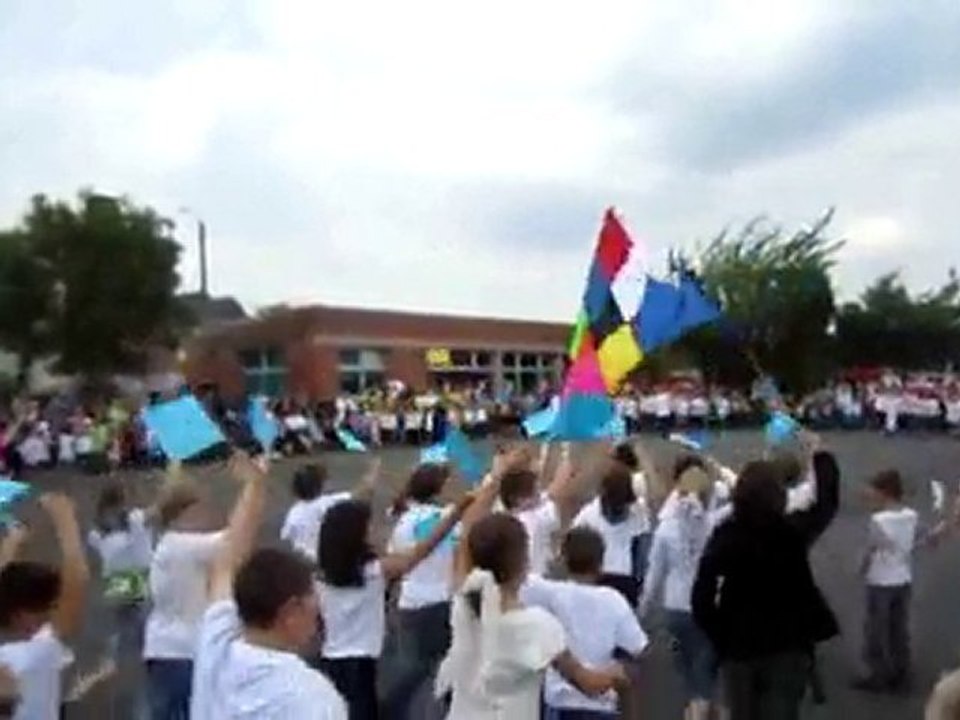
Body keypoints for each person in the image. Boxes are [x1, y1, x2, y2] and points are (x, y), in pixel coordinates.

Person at [191, 451, 347, 719]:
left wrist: (254, 486)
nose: (319, 610)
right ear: (291, 610)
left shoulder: (216, 645)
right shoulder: (311, 696)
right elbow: (227, 564)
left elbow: (226, 563)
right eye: (313, 599)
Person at [692, 446, 841, 720]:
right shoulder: (791, 533)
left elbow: (702, 595)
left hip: (740, 643)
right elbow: (826, 506)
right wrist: (821, 457)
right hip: (787, 642)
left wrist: (720, 634)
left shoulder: (726, 535)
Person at [437, 512, 627, 719]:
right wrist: (615, 674)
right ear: (524, 562)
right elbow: (589, 684)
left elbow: (465, 543)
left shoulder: (463, 603)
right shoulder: (538, 627)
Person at [316, 490, 474, 719]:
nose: (371, 532)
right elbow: (422, 550)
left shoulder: (318, 578)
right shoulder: (373, 572)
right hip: (362, 661)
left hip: (330, 658)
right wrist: (456, 514)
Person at [524, 526, 648, 719]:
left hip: (561, 704)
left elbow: (517, 580)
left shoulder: (549, 593)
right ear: (601, 562)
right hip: (602, 705)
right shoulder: (614, 600)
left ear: (564, 559)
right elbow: (639, 649)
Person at [143, 465, 227, 719]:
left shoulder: (170, 543)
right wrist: (254, 489)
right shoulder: (182, 546)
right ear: (188, 510)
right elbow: (235, 540)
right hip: (181, 652)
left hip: (168, 650)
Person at [380, 463, 461, 720]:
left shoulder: (404, 521)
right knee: (445, 669)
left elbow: (394, 561)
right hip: (442, 601)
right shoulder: (445, 517)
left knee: (418, 669)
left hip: (411, 603)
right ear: (438, 488)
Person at [640, 464, 718, 720]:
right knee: (704, 676)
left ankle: (693, 710)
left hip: (674, 609)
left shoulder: (666, 529)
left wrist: (643, 611)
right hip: (706, 608)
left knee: (687, 673)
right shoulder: (713, 527)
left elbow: (654, 575)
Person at [0, 494, 89, 720]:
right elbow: (77, 582)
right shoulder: (34, 655)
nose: (52, 613)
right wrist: (65, 519)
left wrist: (11, 543)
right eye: (49, 607)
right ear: (24, 615)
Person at [88, 481, 155, 718]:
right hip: (139, 580)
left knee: (125, 632)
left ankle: (113, 661)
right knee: (144, 637)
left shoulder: (97, 532)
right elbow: (158, 510)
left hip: (117, 584)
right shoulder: (135, 520)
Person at [854, 469, 918, 693]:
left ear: (884, 492)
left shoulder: (879, 520)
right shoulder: (911, 515)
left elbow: (871, 548)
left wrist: (860, 568)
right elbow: (919, 540)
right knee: (898, 628)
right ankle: (901, 672)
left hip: (880, 580)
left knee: (876, 628)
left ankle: (877, 674)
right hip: (903, 578)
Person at [498, 443, 580, 577]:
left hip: (516, 578)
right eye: (535, 492)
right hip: (538, 577)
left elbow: (548, 494)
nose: (539, 495)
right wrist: (566, 460)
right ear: (520, 500)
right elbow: (556, 493)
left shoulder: (506, 516)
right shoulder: (534, 519)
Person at [572, 460, 647, 605]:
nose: (619, 508)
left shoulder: (638, 515)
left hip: (620, 580)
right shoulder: (587, 516)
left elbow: (641, 554)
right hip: (602, 579)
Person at [280, 460, 378, 562]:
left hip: (303, 562)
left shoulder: (293, 513)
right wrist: (373, 471)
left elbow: (286, 538)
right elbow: (361, 493)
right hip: (329, 560)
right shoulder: (330, 503)